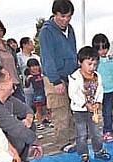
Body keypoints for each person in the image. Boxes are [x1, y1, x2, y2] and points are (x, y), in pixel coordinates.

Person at [39, 0, 77, 153]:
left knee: (74, 110)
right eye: (62, 16)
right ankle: (63, 145)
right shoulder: (46, 32)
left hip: (70, 76)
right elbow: (47, 58)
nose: (66, 20)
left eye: (69, 16)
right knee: (60, 112)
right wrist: (55, 81)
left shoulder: (70, 29)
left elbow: (73, 52)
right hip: (54, 78)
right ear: (55, 14)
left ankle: (76, 141)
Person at [68, 46, 111, 162]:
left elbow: (100, 90)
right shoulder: (74, 77)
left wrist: (98, 102)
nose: (92, 67)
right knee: (81, 134)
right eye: (89, 64)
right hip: (79, 111)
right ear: (79, 62)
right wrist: (85, 104)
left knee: (96, 132)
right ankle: (83, 154)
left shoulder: (98, 76)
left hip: (93, 110)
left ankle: (98, 151)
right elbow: (72, 94)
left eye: (95, 64)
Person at [92, 33, 113, 143]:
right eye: (99, 49)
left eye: (105, 48)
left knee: (108, 113)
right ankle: (93, 132)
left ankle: (107, 132)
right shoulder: (93, 63)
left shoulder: (112, 62)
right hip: (96, 93)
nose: (103, 51)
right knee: (93, 113)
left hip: (109, 91)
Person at [17, 37, 40, 109]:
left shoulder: (36, 57)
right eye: (31, 42)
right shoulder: (18, 57)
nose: (33, 44)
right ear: (24, 45)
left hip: (39, 87)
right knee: (27, 108)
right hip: (26, 88)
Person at [25, 58, 48, 130]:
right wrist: (27, 79)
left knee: (48, 108)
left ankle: (48, 120)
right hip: (37, 94)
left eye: (36, 65)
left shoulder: (42, 74)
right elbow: (26, 85)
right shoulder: (30, 76)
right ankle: (40, 122)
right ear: (29, 68)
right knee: (39, 110)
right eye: (32, 66)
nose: (35, 68)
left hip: (45, 93)